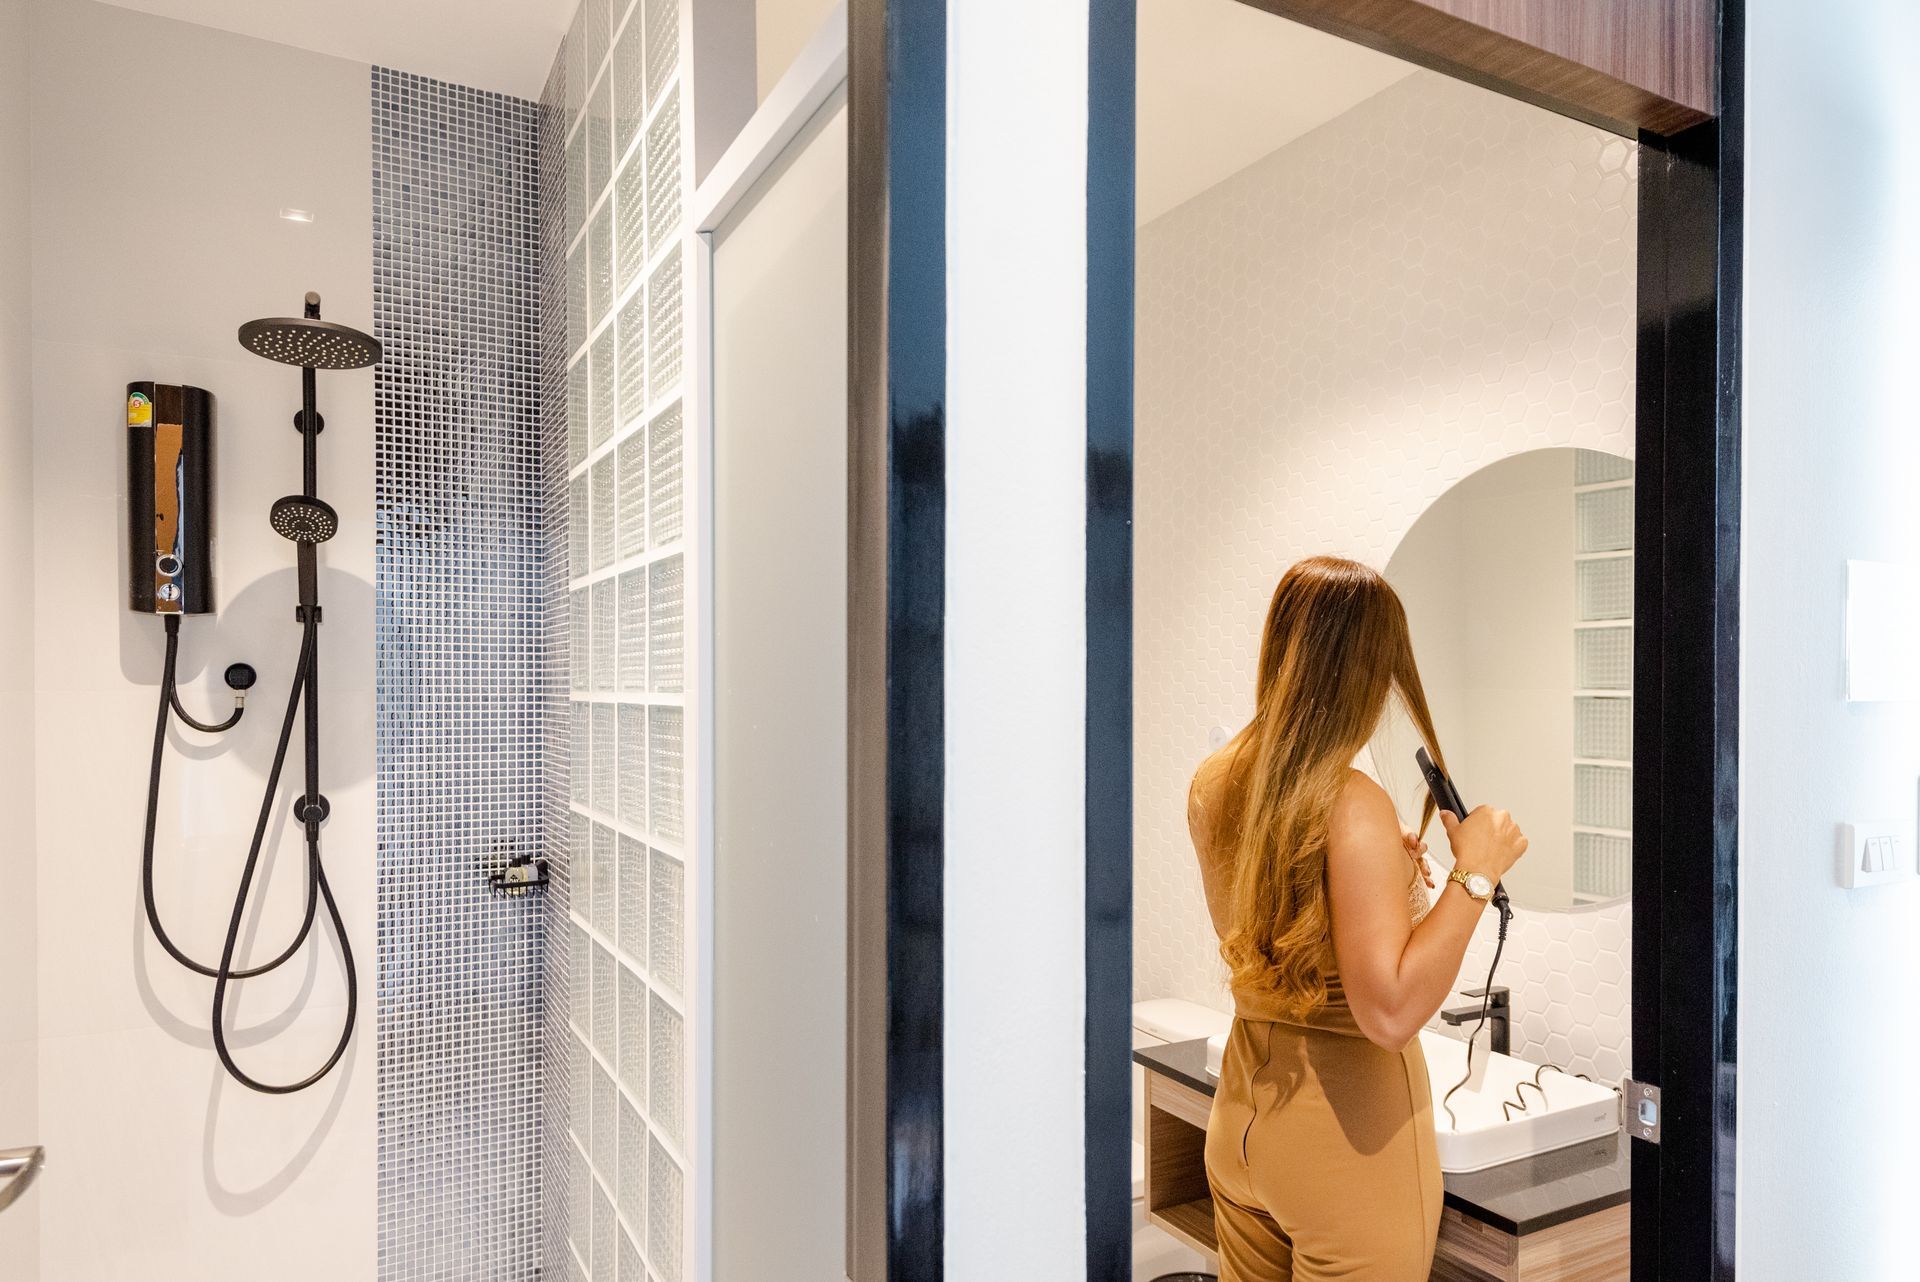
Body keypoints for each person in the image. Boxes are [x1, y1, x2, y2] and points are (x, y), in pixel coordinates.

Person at [1187, 555, 1529, 1281]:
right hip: (1346, 1148)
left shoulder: (1216, 780)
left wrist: (1372, 875)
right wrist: (1477, 872)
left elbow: (1269, 940)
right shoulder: (1351, 804)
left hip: (1243, 1120)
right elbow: (1390, 1011)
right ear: (1369, 668)